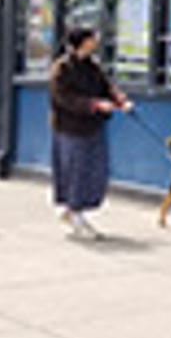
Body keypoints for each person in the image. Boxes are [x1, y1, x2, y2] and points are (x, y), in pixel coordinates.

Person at [49, 27, 133, 239]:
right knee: (76, 171)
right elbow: (64, 98)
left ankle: (74, 211)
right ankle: (75, 215)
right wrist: (94, 105)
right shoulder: (62, 68)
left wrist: (120, 100)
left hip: (93, 126)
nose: (96, 42)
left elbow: (107, 87)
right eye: (91, 39)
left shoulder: (92, 66)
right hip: (71, 128)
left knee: (95, 171)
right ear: (82, 42)